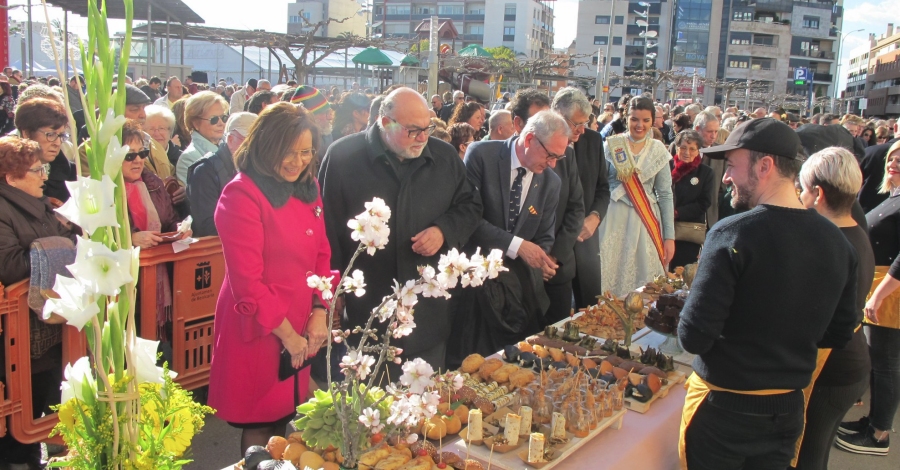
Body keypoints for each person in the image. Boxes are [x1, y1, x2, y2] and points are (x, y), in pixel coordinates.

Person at [677, 118, 859, 469]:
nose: (726, 177)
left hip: (723, 408)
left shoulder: (732, 234)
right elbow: (839, 332)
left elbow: (694, 336)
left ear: (764, 166)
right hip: (787, 409)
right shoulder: (838, 242)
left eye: (732, 166)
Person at [319, 88, 481, 373]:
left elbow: (470, 206)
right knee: (371, 391)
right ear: (386, 123)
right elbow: (326, 229)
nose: (422, 138)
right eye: (413, 130)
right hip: (368, 304)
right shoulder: (343, 156)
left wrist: (443, 230)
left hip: (428, 311)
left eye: (427, 128)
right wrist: (333, 291)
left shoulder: (443, 156)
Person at [208, 102, 329, 456]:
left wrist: (320, 310)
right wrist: (289, 336)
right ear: (266, 146)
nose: (297, 161)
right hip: (261, 324)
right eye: (288, 152)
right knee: (261, 423)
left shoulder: (308, 186)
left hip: (300, 318)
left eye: (306, 152)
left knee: (285, 416)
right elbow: (247, 281)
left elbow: (322, 252)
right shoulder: (242, 193)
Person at [456, 110, 568, 359]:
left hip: (517, 296)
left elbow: (545, 236)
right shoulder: (481, 155)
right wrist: (519, 246)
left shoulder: (551, 183)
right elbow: (468, 218)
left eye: (558, 157)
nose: (552, 164)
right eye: (550, 155)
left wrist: (541, 259)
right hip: (473, 289)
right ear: (529, 140)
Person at [791, 147, 873, 467]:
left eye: (802, 189)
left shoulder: (830, 243)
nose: (799, 196)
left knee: (808, 454)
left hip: (832, 369)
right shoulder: (854, 231)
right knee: (817, 451)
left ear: (818, 194)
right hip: (849, 365)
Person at [0, 136, 77, 470]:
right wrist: (57, 246)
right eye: (36, 170)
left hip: (49, 323)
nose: (44, 175)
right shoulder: (4, 209)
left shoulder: (40, 203)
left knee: (45, 393)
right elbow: (10, 265)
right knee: (22, 403)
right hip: (19, 330)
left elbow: (68, 242)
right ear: (11, 178)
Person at [840, 139, 900, 456]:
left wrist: (879, 294)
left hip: (889, 291)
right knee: (880, 363)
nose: (893, 163)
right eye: (892, 158)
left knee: (886, 364)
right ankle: (874, 422)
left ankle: (879, 435)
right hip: (881, 287)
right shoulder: (894, 195)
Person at [597, 96, 674, 296]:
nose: (640, 125)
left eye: (646, 120)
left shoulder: (658, 149)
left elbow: (665, 194)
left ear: (653, 121)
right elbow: (600, 186)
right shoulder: (611, 146)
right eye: (634, 119)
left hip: (645, 221)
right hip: (613, 219)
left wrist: (669, 237)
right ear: (626, 118)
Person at [544, 87, 588, 324]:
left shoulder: (568, 157)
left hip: (558, 267)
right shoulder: (534, 149)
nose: (581, 130)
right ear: (558, 114)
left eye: (584, 124)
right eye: (577, 123)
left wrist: (554, 256)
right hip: (525, 269)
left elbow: (576, 209)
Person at [187, 112, 256, 237]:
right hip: (220, 246)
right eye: (249, 142)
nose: (255, 148)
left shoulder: (259, 169)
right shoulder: (205, 171)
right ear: (230, 140)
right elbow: (207, 226)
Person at [13, 98, 76, 202]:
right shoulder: (6, 174)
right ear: (26, 133)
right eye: (50, 134)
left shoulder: (73, 174)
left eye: (61, 135)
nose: (57, 143)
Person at [669, 130, 714, 270]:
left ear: (698, 151)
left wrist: (678, 213)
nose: (687, 152)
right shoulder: (666, 167)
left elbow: (704, 202)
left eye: (692, 149)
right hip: (665, 228)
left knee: (682, 270)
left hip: (688, 232)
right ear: (677, 148)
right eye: (683, 147)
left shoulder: (705, 172)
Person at [176, 91, 229, 184]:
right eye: (214, 119)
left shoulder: (230, 146)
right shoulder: (188, 158)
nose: (221, 123)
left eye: (223, 117)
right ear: (196, 123)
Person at [291, 86, 335, 153]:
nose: (330, 118)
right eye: (323, 113)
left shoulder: (326, 132)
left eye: (328, 112)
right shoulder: (294, 141)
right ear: (308, 117)